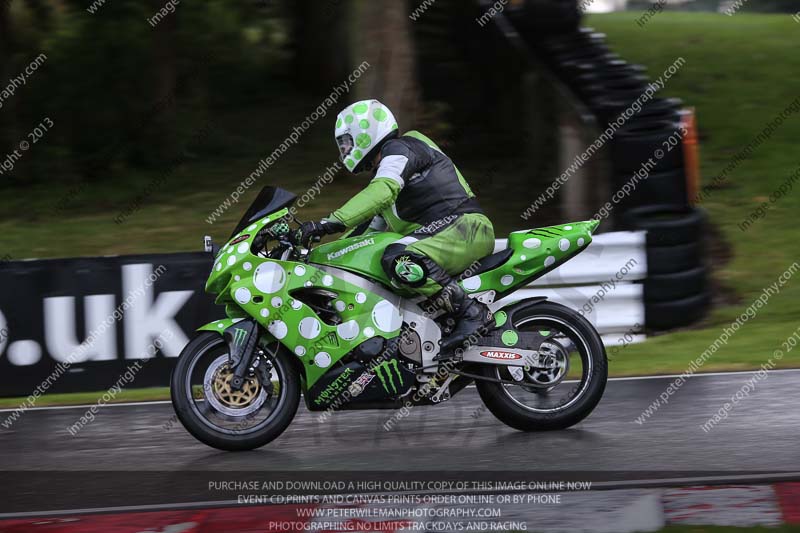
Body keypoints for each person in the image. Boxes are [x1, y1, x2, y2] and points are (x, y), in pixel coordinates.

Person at [297, 99, 495, 358]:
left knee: (399, 256)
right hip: (446, 234)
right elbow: (362, 235)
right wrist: (314, 258)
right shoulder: (388, 173)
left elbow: (382, 191)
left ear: (366, 132)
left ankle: (473, 313)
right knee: (378, 262)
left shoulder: (402, 149)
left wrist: (327, 223)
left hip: (466, 227)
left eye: (347, 142)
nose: (345, 150)